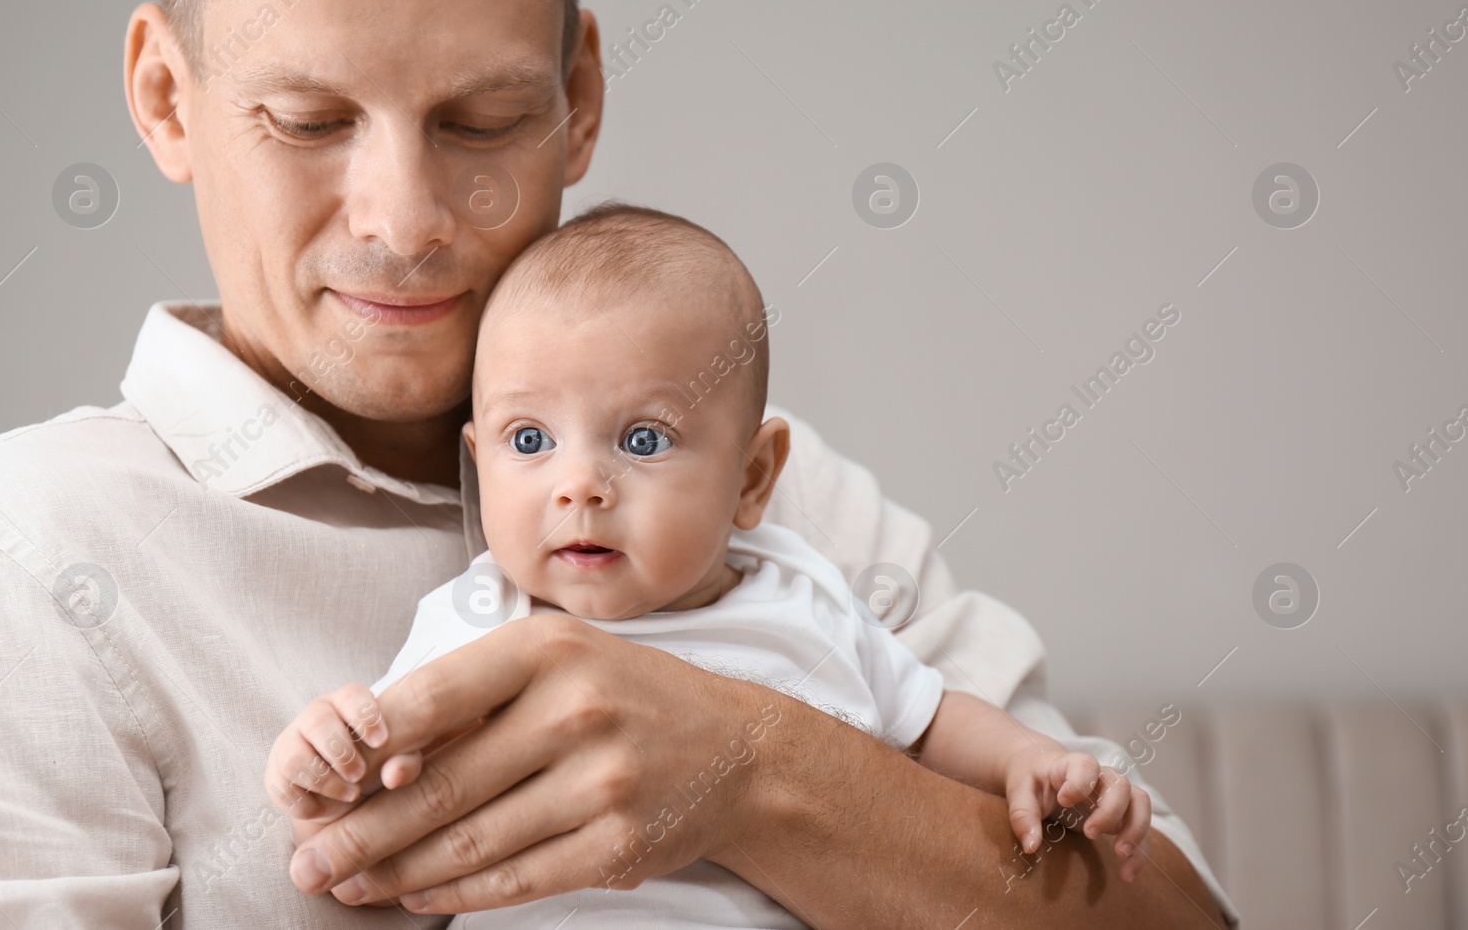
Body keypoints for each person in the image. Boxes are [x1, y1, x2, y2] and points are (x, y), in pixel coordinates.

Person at [0, 0, 1237, 926]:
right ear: (166, 96)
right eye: (308, 121)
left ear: (580, 97)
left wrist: (759, 770)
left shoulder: (775, 489)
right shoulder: (1, 562)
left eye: (480, 120)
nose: (404, 220)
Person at [267, 205, 1159, 928]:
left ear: (753, 476)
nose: (580, 486)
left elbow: (928, 720)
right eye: (529, 440)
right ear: (479, 458)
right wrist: (327, 761)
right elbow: (374, 820)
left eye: (643, 438)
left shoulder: (802, 594)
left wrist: (1030, 760)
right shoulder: (478, 620)